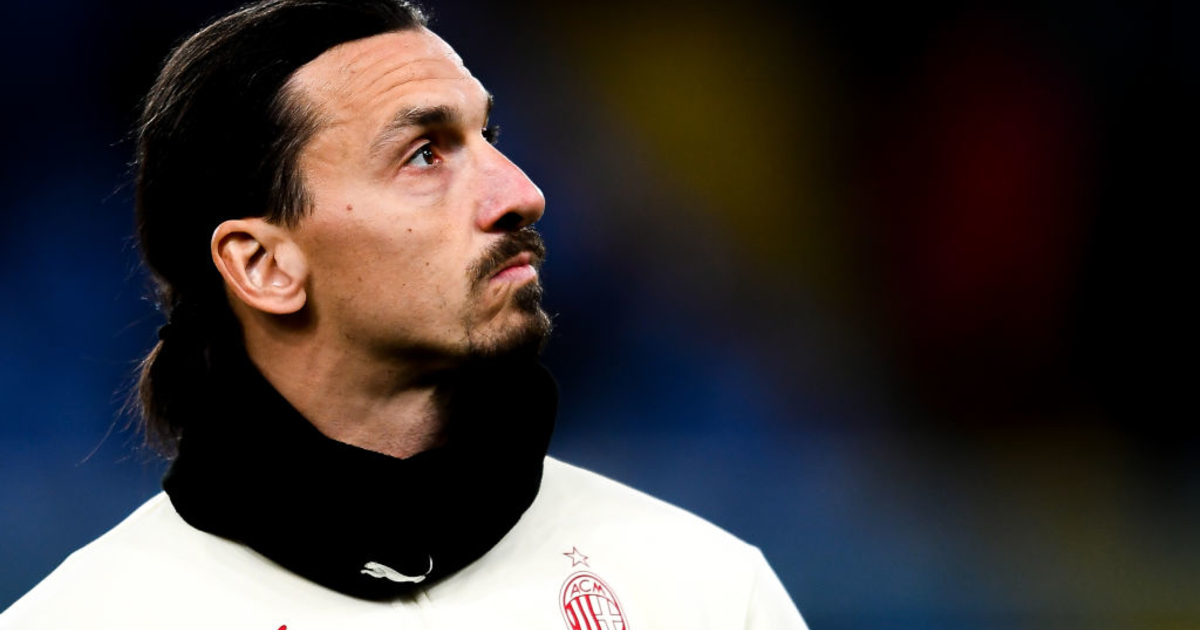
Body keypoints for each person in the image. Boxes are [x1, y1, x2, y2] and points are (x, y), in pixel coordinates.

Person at [0, 1, 805, 627]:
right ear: (263, 266)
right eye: (424, 154)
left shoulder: (705, 592)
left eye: (487, 135)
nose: (522, 192)